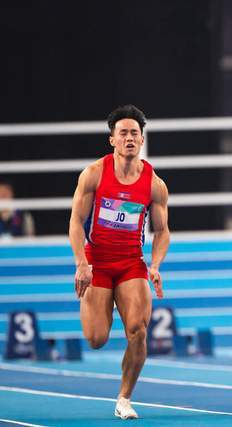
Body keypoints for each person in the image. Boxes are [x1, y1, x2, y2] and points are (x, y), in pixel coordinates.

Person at [69, 105, 170, 419]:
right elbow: (76, 221)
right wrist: (81, 263)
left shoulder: (154, 184)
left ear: (142, 140)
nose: (129, 138)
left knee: (138, 330)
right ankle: (104, 302)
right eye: (123, 133)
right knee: (96, 338)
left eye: (134, 134)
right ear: (112, 139)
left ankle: (124, 398)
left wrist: (155, 265)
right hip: (97, 262)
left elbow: (162, 231)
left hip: (131, 264)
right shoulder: (94, 174)